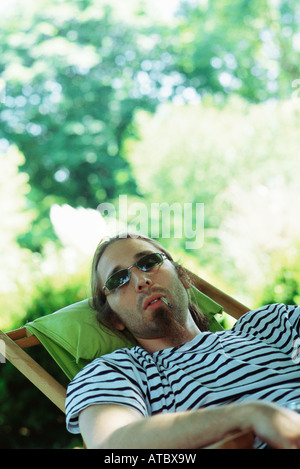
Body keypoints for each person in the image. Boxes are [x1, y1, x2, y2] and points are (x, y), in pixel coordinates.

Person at [65, 233, 300, 449]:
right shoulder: (117, 372)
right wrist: (249, 415)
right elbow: (112, 445)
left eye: (148, 262)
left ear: (183, 276)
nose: (140, 280)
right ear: (114, 318)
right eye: (118, 280)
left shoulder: (270, 324)